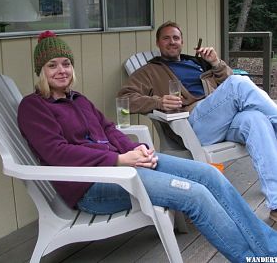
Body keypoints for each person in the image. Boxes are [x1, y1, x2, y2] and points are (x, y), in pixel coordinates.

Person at [18, 30, 277, 262]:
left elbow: (108, 129)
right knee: (195, 195)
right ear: (41, 71)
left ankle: (270, 250)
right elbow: (58, 153)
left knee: (209, 174)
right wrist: (119, 160)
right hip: (93, 186)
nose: (61, 70)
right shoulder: (34, 107)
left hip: (122, 168)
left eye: (66, 63)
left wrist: (135, 151)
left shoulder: (79, 99)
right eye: (52, 65)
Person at [118, 21, 277, 222]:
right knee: (238, 82)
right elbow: (124, 98)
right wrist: (158, 101)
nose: (172, 42)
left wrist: (216, 63)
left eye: (176, 38)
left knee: (256, 119)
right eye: (166, 38)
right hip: (194, 124)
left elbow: (225, 79)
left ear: (182, 41)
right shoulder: (149, 71)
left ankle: (276, 204)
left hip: (221, 119)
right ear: (158, 43)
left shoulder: (197, 62)